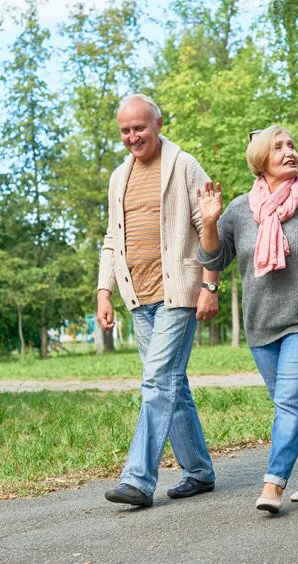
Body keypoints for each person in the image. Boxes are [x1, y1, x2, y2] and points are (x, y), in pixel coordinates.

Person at [196, 126, 298, 514]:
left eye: (292, 145)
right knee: (292, 402)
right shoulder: (238, 210)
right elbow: (214, 261)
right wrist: (211, 223)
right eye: (279, 147)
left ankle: (273, 483)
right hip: (262, 323)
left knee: (289, 400)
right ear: (260, 160)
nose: (289, 152)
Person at [97, 94, 219, 507]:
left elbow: (209, 224)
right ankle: (199, 471)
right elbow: (112, 240)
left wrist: (210, 285)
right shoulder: (119, 177)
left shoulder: (183, 165)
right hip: (139, 296)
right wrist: (104, 292)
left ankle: (137, 479)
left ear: (159, 123)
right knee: (173, 385)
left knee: (156, 382)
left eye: (139, 128)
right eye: (125, 131)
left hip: (178, 293)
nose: (132, 137)